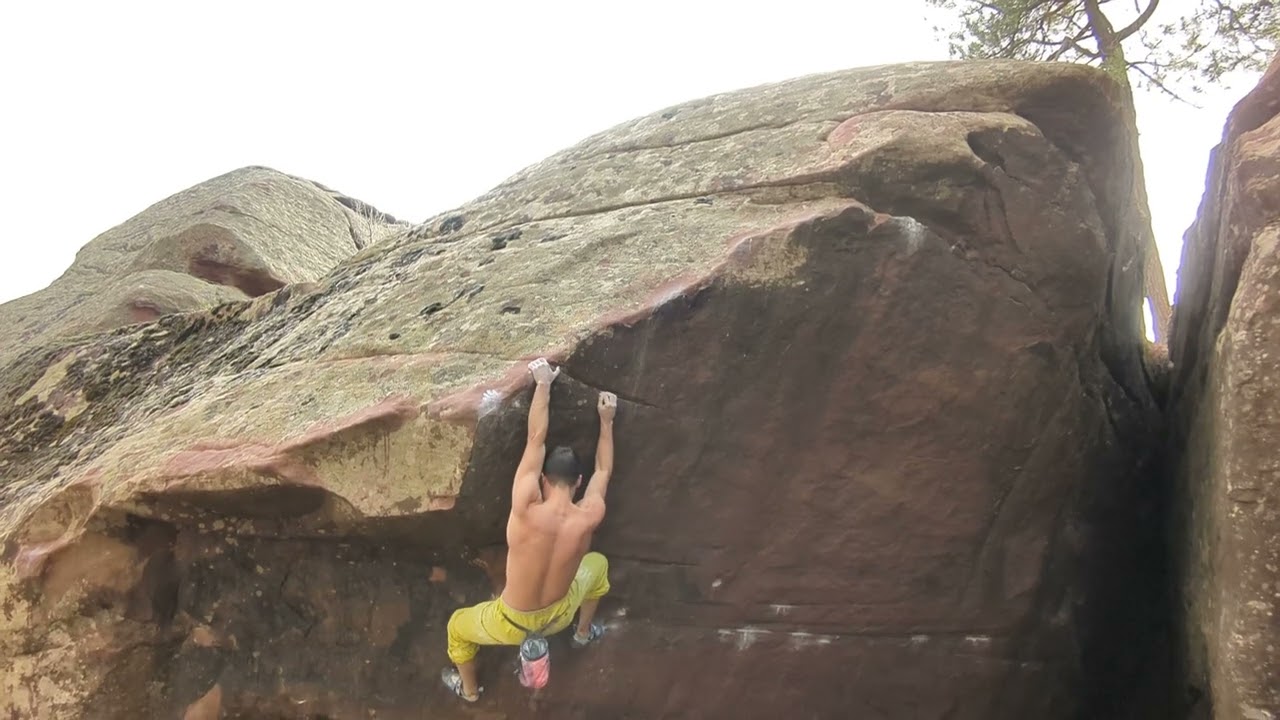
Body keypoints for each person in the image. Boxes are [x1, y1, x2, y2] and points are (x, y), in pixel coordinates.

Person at [441, 358, 617, 702]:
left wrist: (543, 385)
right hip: (561, 615)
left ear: (543, 480)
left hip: (510, 622)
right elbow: (603, 470)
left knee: (457, 628)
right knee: (597, 566)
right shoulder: (590, 514)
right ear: (578, 483)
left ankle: (470, 692)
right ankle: (582, 633)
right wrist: (606, 421)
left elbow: (535, 439)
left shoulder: (525, 506)